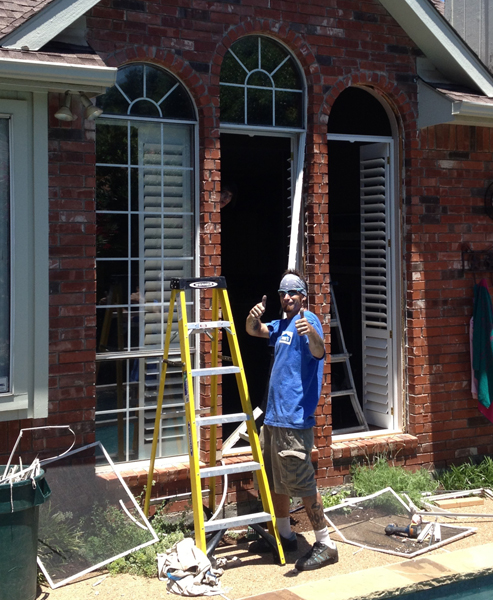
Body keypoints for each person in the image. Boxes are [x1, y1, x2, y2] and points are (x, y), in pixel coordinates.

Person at [245, 269, 338, 571]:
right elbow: (253, 330)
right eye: (283, 293)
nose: (287, 297)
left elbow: (319, 351)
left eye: (293, 292)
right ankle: (285, 535)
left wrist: (310, 333)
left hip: (293, 421)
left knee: (303, 484)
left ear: (303, 295)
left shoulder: (307, 322)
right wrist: (252, 317)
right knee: (276, 482)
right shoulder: (283, 324)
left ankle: (325, 543)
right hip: (273, 419)